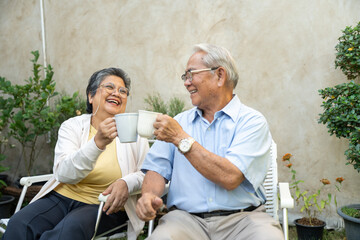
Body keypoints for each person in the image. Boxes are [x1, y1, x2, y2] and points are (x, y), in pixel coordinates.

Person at [136, 43, 284, 240]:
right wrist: (148, 196)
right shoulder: (178, 123)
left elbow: (230, 177)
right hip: (184, 221)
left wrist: (181, 139)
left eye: (191, 74)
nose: (186, 83)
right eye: (185, 77)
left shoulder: (252, 122)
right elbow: (156, 169)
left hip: (243, 221)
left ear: (220, 75)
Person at [3, 67, 149, 240]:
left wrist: (126, 183)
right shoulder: (72, 126)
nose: (117, 93)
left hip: (103, 205)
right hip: (61, 197)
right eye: (109, 87)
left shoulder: (135, 134)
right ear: (91, 96)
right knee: (20, 224)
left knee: (66, 233)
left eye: (123, 91)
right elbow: (64, 173)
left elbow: (147, 173)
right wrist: (97, 144)